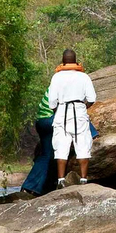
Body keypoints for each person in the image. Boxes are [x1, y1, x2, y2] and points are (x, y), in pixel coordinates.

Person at [47, 49, 96, 189]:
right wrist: (83, 107)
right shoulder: (84, 77)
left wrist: (57, 111)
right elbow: (92, 98)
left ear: (63, 61)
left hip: (62, 110)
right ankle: (84, 179)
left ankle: (61, 180)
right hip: (79, 110)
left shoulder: (57, 77)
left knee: (61, 145)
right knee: (83, 144)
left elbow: (52, 101)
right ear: (76, 61)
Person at [20, 87, 56, 196]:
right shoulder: (64, 85)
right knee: (78, 113)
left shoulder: (55, 83)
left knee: (46, 156)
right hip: (50, 120)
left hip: (41, 120)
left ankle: (31, 187)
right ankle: (93, 134)